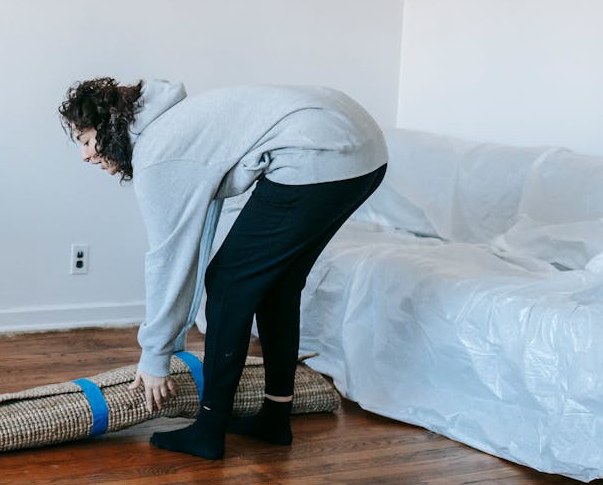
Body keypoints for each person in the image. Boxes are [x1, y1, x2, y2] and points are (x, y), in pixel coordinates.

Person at [59, 77, 386, 460]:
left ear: (110, 124)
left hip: (321, 151)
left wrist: (155, 355)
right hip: (364, 151)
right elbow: (197, 234)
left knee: (228, 284)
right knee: (276, 285)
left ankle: (209, 429)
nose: (84, 156)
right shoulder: (174, 126)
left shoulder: (158, 153)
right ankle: (275, 418)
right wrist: (168, 340)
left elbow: (169, 259)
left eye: (85, 141)